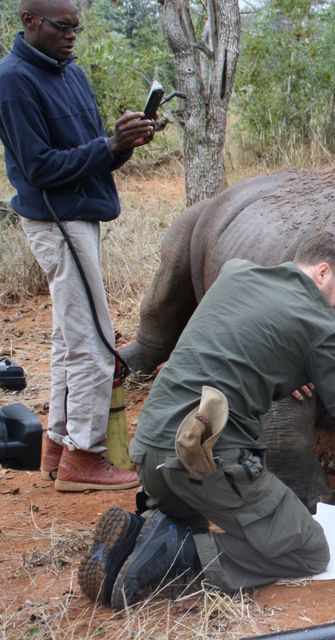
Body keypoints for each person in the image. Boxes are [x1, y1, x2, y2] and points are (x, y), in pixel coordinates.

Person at [79, 231, 335, 610]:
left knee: (191, 520)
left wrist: (285, 370)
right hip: (204, 459)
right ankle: (174, 557)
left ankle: (145, 535)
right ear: (323, 271)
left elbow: (242, 342)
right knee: (306, 550)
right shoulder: (320, 326)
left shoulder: (236, 273)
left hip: (150, 450)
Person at [0, 0, 155, 490]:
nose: (72, 36)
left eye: (76, 28)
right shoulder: (13, 79)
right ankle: (83, 459)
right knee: (93, 340)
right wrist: (109, 146)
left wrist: (125, 142)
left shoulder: (71, 73)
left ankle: (58, 445)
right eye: (62, 27)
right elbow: (41, 167)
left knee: (69, 337)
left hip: (81, 215)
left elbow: (93, 156)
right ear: (29, 21)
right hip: (56, 219)